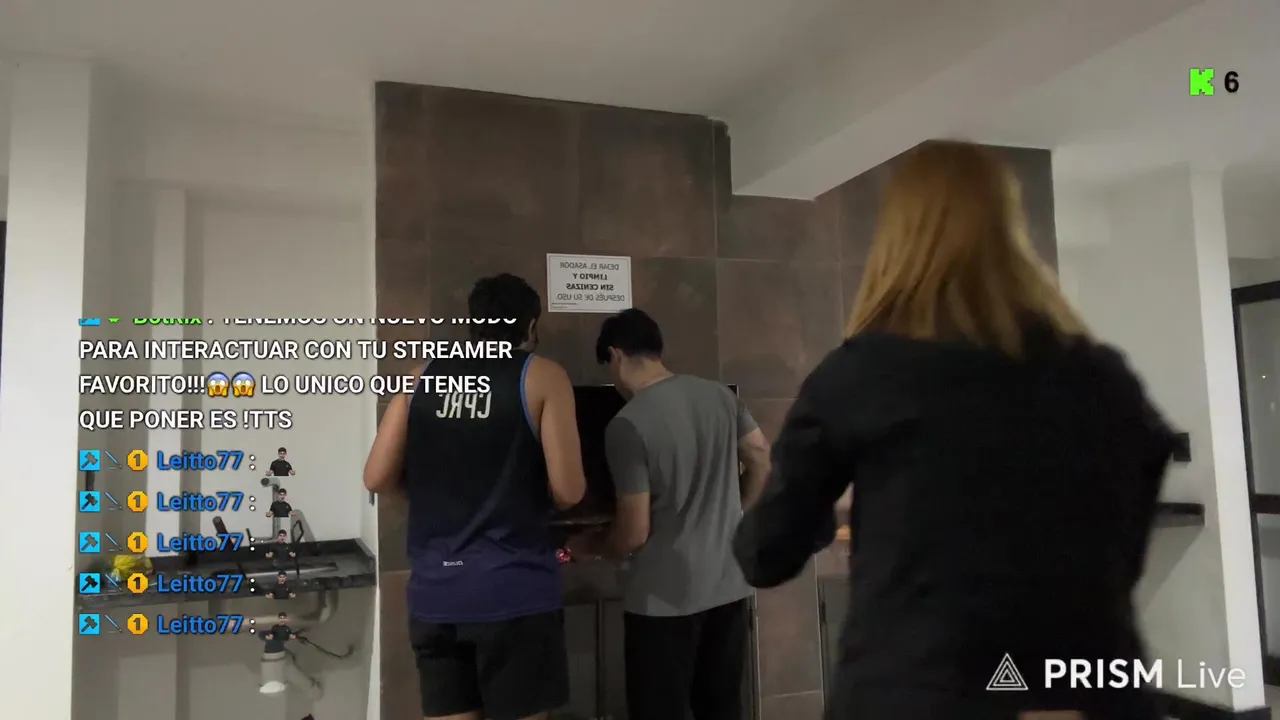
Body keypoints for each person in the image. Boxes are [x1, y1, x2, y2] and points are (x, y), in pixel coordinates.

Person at [732, 140, 1175, 720]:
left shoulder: (865, 372)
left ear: (898, 241)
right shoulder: (1105, 378)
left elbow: (766, 554)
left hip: (919, 693)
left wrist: (821, 506)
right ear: (1011, 234)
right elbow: (1124, 551)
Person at [363, 273, 587, 720]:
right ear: (531, 325)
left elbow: (376, 477)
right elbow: (569, 490)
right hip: (514, 591)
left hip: (436, 594)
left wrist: (427, 498)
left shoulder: (421, 377)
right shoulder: (543, 376)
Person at [568, 308, 771, 720]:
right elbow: (761, 458)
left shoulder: (628, 424)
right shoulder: (721, 396)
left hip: (663, 600)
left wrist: (592, 546)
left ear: (615, 355)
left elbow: (634, 531)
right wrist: (733, 512)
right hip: (729, 585)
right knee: (722, 707)